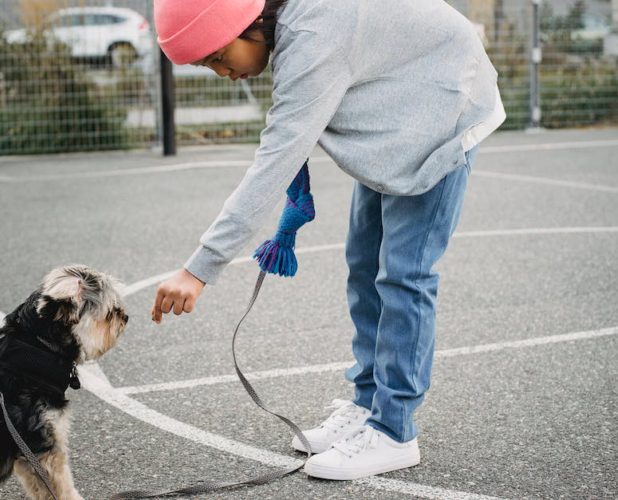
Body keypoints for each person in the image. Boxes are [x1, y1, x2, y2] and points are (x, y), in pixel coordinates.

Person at [150, 0, 506, 480]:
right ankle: (366, 405)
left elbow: (277, 157)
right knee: (364, 264)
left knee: (404, 275)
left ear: (248, 23)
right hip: (398, 110)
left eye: (217, 56)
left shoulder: (314, 37)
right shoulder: (292, 27)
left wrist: (200, 268)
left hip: (442, 110)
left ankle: (394, 431)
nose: (220, 72)